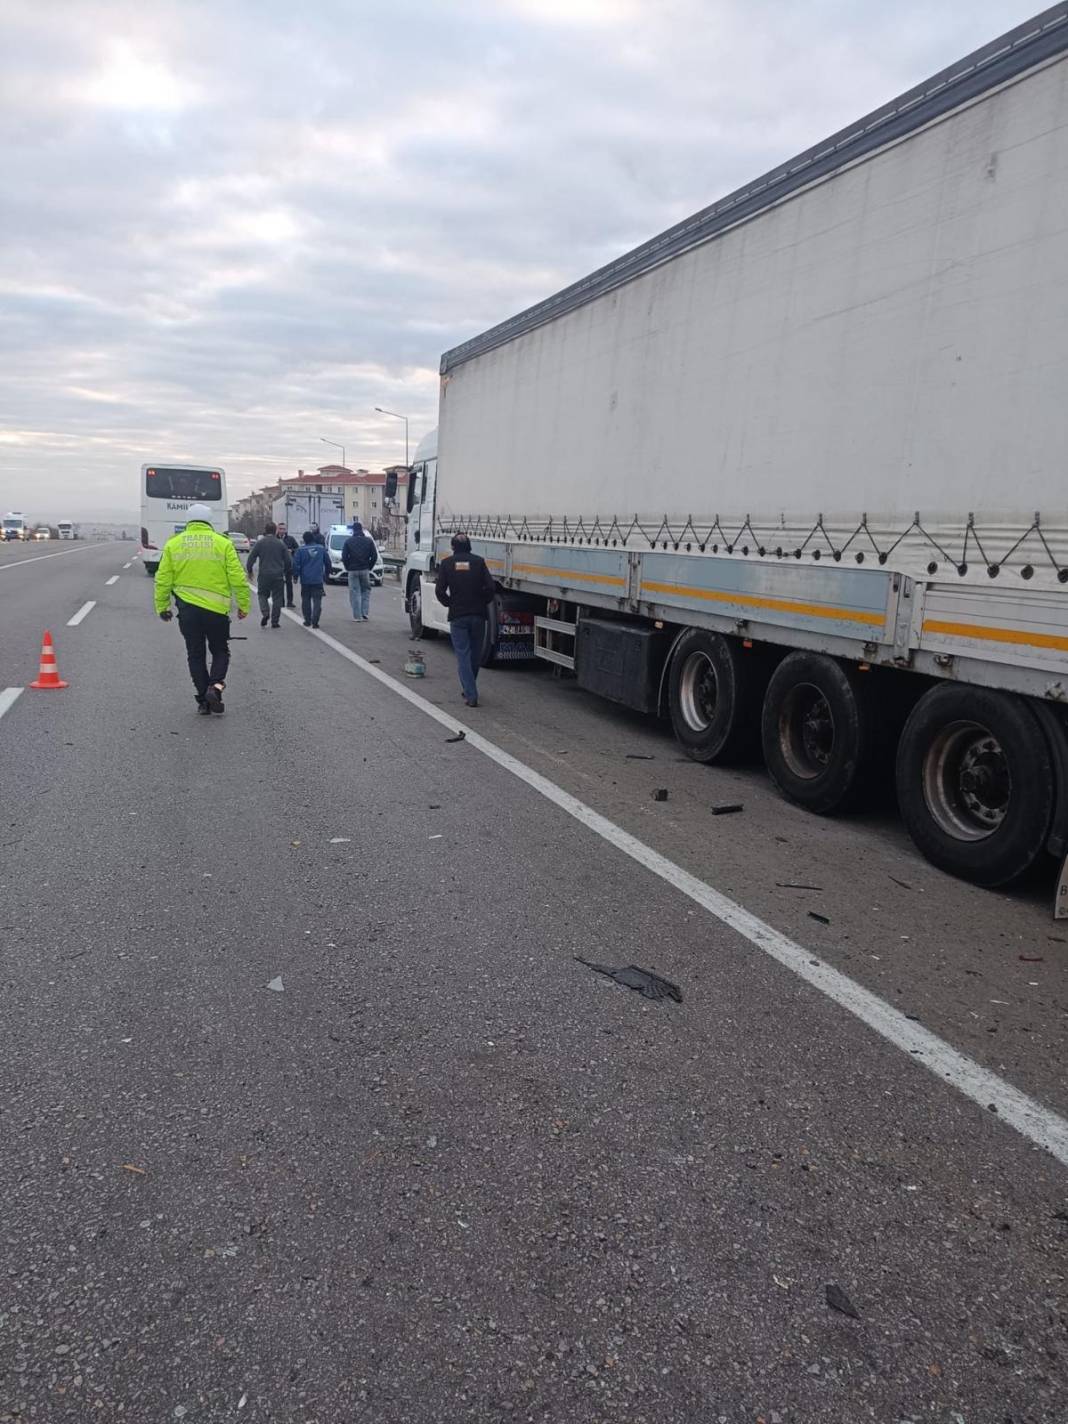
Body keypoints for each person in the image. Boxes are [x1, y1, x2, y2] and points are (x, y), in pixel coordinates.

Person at [154, 503, 250, 714]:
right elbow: (238, 578)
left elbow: (162, 580)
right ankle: (215, 687)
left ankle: (203, 701)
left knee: (195, 654)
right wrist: (243, 605)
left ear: (188, 521)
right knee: (220, 650)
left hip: (188, 611)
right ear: (209, 520)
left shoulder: (173, 544)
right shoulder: (223, 544)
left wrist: (163, 607)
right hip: (216, 612)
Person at [434, 533, 496, 708]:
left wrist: (450, 603)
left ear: (453, 547)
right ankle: (470, 688)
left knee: (463, 655)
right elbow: (491, 587)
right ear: (469, 546)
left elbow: (440, 591)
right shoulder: (479, 562)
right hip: (478, 615)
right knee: (475, 656)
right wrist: (483, 602)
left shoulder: (447, 564)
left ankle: (471, 694)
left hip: (458, 616)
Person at [246, 521, 292, 629]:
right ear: (275, 530)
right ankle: (275, 621)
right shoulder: (281, 543)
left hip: (264, 574)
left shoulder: (260, 543)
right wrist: (285, 570)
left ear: (265, 531)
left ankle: (265, 613)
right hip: (278, 575)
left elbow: (251, 558)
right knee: (277, 598)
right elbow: (288, 561)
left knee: (262, 595)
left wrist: (250, 570)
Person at [342, 519, 378, 621]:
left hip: (352, 570)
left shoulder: (348, 541)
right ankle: (365, 613)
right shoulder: (369, 541)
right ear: (361, 530)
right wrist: (369, 567)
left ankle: (357, 616)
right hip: (365, 569)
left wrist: (347, 567)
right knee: (365, 591)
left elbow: (344, 556)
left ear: (353, 530)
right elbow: (374, 556)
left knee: (354, 592)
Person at [292, 529, 330, 627]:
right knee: (317, 600)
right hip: (318, 579)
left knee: (306, 600)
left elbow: (296, 565)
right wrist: (327, 574)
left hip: (305, 580)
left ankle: (307, 620)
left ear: (304, 540)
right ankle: (315, 620)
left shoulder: (300, 550)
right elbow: (328, 562)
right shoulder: (321, 549)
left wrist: (295, 576)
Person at [277, 522, 299, 607]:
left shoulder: (290, 539)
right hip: (278, 565)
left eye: (283, 529)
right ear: (277, 529)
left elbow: (297, 548)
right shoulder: (275, 539)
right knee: (280, 584)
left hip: (288, 565)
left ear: (286, 530)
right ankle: (281, 601)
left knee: (289, 584)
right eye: (280, 529)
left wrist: (292, 551)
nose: (282, 531)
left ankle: (290, 601)